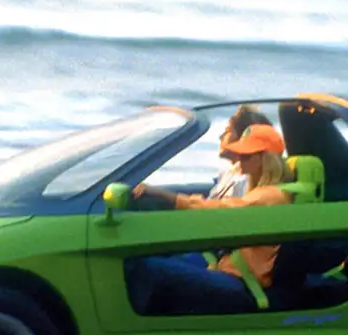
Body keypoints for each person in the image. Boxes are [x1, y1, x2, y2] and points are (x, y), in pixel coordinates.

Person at [126, 123, 294, 315]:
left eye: (246, 156)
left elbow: (217, 212)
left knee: (148, 268)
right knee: (156, 261)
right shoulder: (263, 193)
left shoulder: (269, 197)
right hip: (227, 266)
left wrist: (166, 196)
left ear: (265, 160)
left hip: (241, 281)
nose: (239, 160)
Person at [208, 105, 274, 200]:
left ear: (243, 138)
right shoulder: (229, 174)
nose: (221, 136)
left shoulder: (246, 180)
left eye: (228, 131)